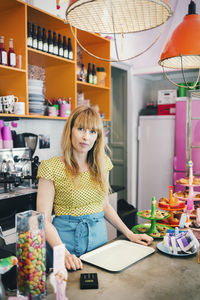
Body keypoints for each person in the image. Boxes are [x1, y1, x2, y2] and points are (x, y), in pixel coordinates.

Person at [36, 105, 153, 271]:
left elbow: (104, 205)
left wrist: (130, 234)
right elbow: (44, 220)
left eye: (92, 132)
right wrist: (63, 254)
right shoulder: (51, 167)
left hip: (99, 241)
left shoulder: (102, 163)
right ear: (70, 130)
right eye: (81, 129)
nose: (86, 137)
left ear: (98, 136)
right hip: (65, 245)